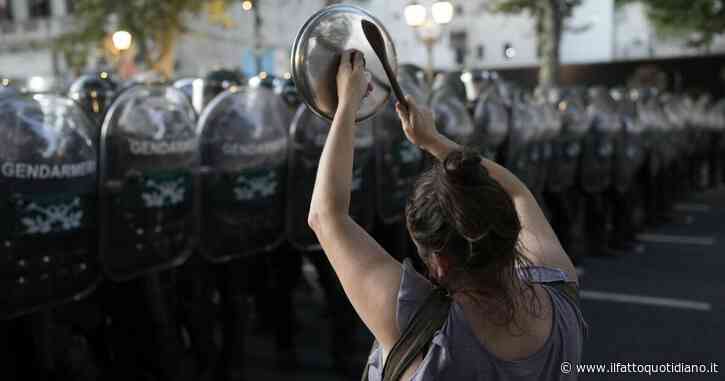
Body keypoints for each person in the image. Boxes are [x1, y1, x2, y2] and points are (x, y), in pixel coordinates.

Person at [307, 49, 586, 380]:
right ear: (510, 227)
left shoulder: (420, 329)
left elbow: (326, 217)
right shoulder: (560, 287)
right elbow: (517, 191)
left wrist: (347, 105)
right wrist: (435, 142)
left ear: (439, 263)